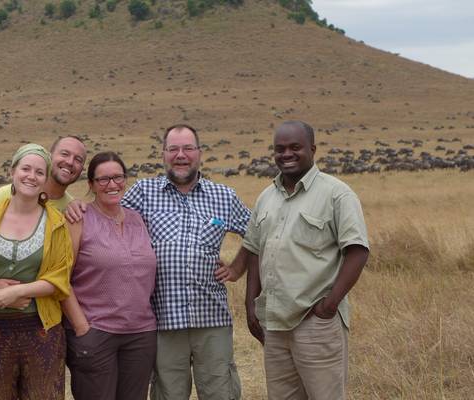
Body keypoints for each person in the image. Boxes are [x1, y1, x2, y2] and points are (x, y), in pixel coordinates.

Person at [67, 124, 249, 400]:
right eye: (173, 149)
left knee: (220, 393)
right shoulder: (143, 193)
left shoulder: (224, 196)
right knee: (167, 394)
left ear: (199, 153)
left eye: (188, 148)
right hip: (164, 321)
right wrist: (76, 205)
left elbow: (258, 232)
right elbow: (107, 202)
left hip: (211, 318)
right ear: (163, 154)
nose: (181, 155)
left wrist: (237, 267)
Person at [233, 121, 370, 400]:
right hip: (273, 324)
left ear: (312, 149)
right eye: (280, 149)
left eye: (295, 147)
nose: (287, 154)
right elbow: (255, 251)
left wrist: (329, 305)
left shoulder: (336, 194)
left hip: (315, 321)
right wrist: (251, 304)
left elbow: (357, 251)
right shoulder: (266, 197)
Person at [0, 135, 87, 399]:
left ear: (45, 179)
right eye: (25, 169)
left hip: (41, 331)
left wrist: (16, 292)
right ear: (12, 171)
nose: (31, 176)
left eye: (39, 172)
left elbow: (59, 278)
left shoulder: (56, 222)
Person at [62, 151, 157, 400]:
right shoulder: (78, 219)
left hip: (141, 334)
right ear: (91, 185)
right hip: (96, 331)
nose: (112, 185)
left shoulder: (138, 220)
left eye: (118, 177)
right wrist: (82, 328)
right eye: (103, 179)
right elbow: (61, 278)